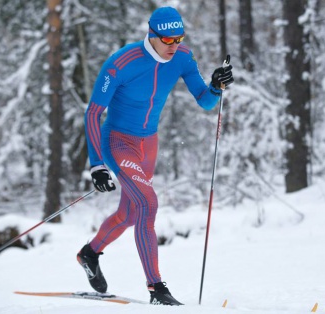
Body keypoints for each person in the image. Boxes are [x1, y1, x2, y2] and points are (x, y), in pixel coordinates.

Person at [77, 6, 234, 305]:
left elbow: (205, 101)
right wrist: (97, 164)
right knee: (148, 203)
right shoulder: (121, 63)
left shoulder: (183, 58)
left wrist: (216, 86)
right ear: (152, 35)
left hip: (148, 144)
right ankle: (156, 289)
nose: (174, 46)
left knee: (130, 212)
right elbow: (93, 112)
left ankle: (89, 253)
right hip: (118, 142)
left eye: (179, 39)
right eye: (168, 40)